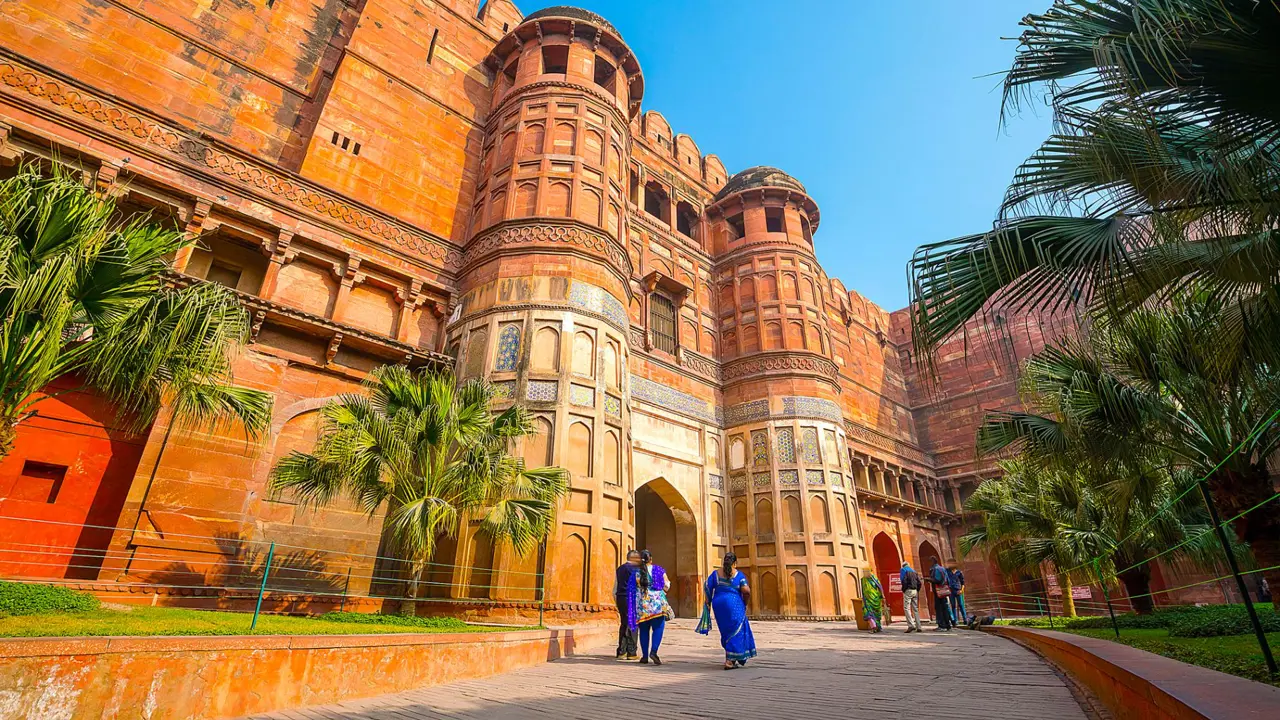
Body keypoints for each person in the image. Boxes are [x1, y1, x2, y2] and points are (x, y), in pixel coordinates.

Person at [699, 552, 757, 669]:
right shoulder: (738, 575)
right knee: (736, 631)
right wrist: (745, 602)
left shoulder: (716, 574)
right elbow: (746, 591)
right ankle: (730, 660)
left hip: (719, 605)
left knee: (726, 631)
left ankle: (734, 657)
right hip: (734, 604)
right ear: (735, 563)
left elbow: (707, 586)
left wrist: (708, 602)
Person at [637, 549, 673, 665]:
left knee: (643, 630)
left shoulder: (636, 572)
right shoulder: (658, 570)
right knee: (658, 628)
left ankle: (644, 656)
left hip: (643, 604)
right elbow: (667, 585)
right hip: (657, 604)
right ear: (651, 559)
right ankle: (654, 651)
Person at [614, 549, 641, 660]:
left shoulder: (620, 569)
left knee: (624, 623)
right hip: (631, 597)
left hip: (620, 596)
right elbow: (638, 583)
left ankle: (621, 651)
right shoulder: (635, 569)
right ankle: (631, 652)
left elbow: (615, 585)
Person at [927, 556, 953, 631]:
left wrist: (928, 579)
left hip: (938, 591)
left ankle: (942, 625)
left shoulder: (935, 569)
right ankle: (948, 625)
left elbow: (937, 580)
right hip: (944, 591)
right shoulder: (942, 568)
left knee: (939, 608)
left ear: (933, 562)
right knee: (945, 608)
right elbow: (947, 579)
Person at [900, 561, 923, 633]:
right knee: (915, 608)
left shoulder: (903, 570)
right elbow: (919, 582)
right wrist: (917, 590)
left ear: (903, 566)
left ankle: (911, 625)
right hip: (915, 590)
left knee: (906, 608)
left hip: (908, 590)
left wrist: (904, 590)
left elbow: (903, 581)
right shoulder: (914, 571)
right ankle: (919, 626)